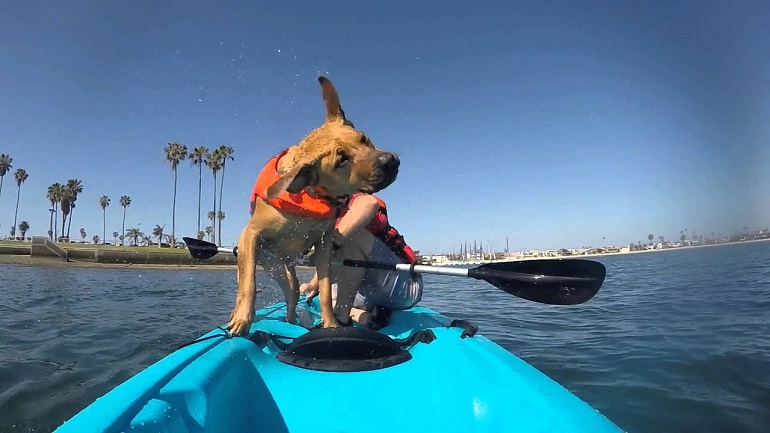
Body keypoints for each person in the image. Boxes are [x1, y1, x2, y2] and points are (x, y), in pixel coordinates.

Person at [299, 192, 422, 328]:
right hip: (367, 294)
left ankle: (342, 320)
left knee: (350, 236)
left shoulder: (359, 200)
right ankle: (362, 315)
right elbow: (329, 258)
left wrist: (331, 245)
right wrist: (313, 284)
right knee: (323, 297)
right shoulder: (329, 213)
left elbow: (371, 203)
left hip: (404, 288)